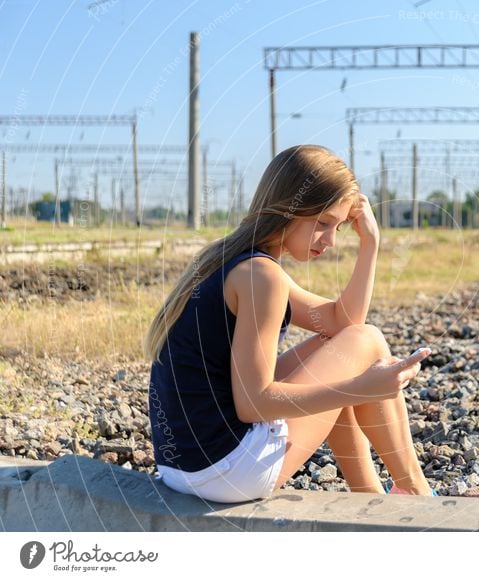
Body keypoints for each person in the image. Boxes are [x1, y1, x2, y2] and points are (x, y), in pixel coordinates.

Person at [144, 144, 435, 503]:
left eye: (338, 228)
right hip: (222, 469)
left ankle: (373, 498)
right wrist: (362, 388)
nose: (329, 241)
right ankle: (419, 494)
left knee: (352, 348)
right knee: (368, 342)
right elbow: (253, 404)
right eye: (323, 223)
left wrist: (370, 244)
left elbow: (340, 323)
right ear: (290, 209)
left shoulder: (238, 260)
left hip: (183, 466)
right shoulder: (262, 277)